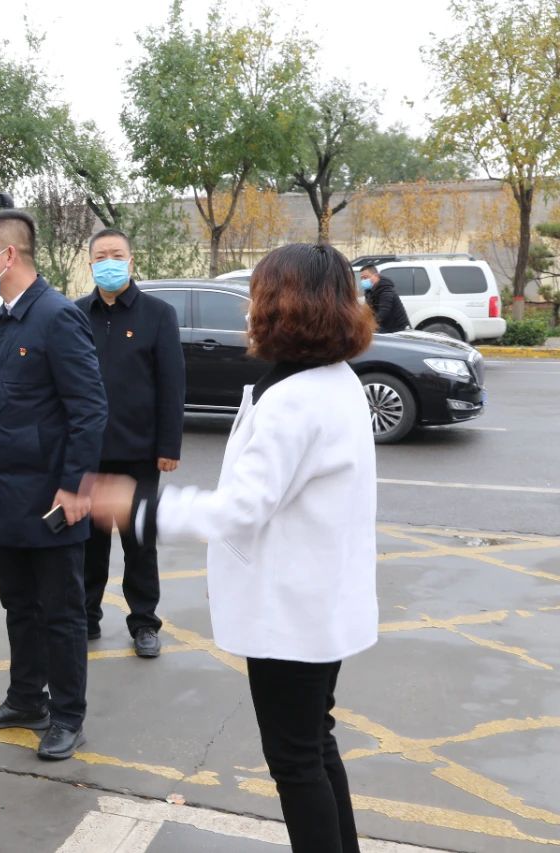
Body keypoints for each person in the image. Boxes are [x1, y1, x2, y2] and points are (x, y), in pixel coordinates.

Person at [89, 243, 378, 853]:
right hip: (317, 601)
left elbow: (239, 509)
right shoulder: (333, 380)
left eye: (257, 296)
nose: (250, 309)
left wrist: (134, 507)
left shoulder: (296, 399)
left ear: (285, 306)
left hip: (292, 611)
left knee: (295, 759)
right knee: (314, 742)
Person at [0, 210, 107, 761]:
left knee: (62, 612)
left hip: (52, 497)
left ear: (9, 255)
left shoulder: (56, 316)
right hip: (6, 494)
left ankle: (68, 715)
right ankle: (27, 698)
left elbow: (89, 409)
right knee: (19, 605)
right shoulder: (0, 323)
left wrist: (75, 487)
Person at [76, 229, 185, 656]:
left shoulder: (158, 314)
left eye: (116, 255)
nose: (109, 262)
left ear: (130, 261)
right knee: (88, 542)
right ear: (90, 264)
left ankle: (144, 623)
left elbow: (172, 384)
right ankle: (86, 616)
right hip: (88, 451)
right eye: (101, 256)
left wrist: (168, 447)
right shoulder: (74, 314)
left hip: (139, 452)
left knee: (139, 540)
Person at [359, 265, 411, 333]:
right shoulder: (369, 291)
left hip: (397, 329)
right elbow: (369, 310)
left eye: (365, 277)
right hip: (384, 327)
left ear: (376, 276)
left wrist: (370, 324)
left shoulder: (386, 290)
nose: (363, 280)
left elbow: (383, 312)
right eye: (361, 278)